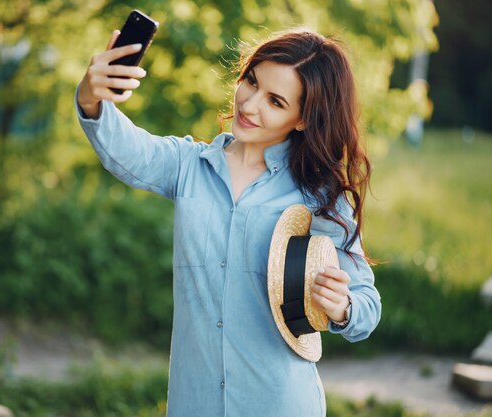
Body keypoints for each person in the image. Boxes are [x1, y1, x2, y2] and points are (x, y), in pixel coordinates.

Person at [76, 27, 381, 417]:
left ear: (302, 119)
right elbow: (126, 149)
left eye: (275, 101)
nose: (250, 105)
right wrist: (91, 97)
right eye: (251, 82)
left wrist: (343, 307)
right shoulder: (189, 167)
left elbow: (367, 308)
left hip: (280, 404)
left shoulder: (320, 196)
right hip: (193, 403)